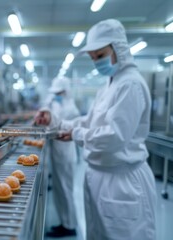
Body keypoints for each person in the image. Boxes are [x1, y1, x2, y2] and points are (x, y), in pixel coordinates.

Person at [35, 19, 156, 240]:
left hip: (121, 181)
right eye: (93, 58)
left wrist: (75, 134)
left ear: (118, 48)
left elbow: (114, 137)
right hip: (101, 176)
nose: (97, 62)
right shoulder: (110, 84)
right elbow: (88, 123)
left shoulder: (130, 84)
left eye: (100, 55)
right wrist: (55, 121)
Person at [44, 77, 80, 237]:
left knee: (65, 189)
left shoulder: (70, 109)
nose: (56, 95)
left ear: (65, 92)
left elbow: (57, 126)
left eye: (58, 93)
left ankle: (69, 225)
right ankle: (64, 222)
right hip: (58, 151)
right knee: (60, 189)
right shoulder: (59, 105)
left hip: (65, 153)